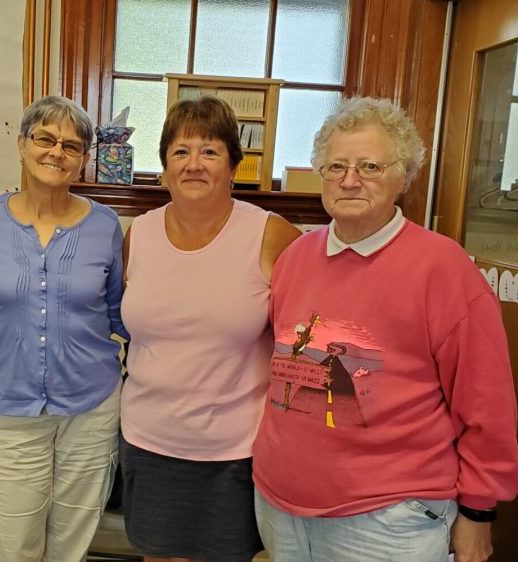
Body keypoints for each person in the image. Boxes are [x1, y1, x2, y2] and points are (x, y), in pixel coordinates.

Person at [252, 96, 518, 562]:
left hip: (389, 518)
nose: (350, 179)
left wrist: (478, 513)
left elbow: (487, 402)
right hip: (280, 506)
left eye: (370, 166)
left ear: (404, 175)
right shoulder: (295, 257)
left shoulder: (443, 268)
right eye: (336, 166)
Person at [119, 95, 301, 562]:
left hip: (234, 452)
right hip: (149, 441)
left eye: (210, 151)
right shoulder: (138, 233)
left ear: (234, 166)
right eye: (180, 151)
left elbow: (307, 343)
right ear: (163, 167)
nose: (194, 164)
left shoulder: (271, 235)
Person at [0, 95, 128, 562]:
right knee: (9, 544)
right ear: (22, 143)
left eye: (72, 146)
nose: (56, 152)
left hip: (91, 407)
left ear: (83, 160)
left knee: (70, 545)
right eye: (45, 139)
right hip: (11, 406)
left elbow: (121, 313)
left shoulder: (105, 225)